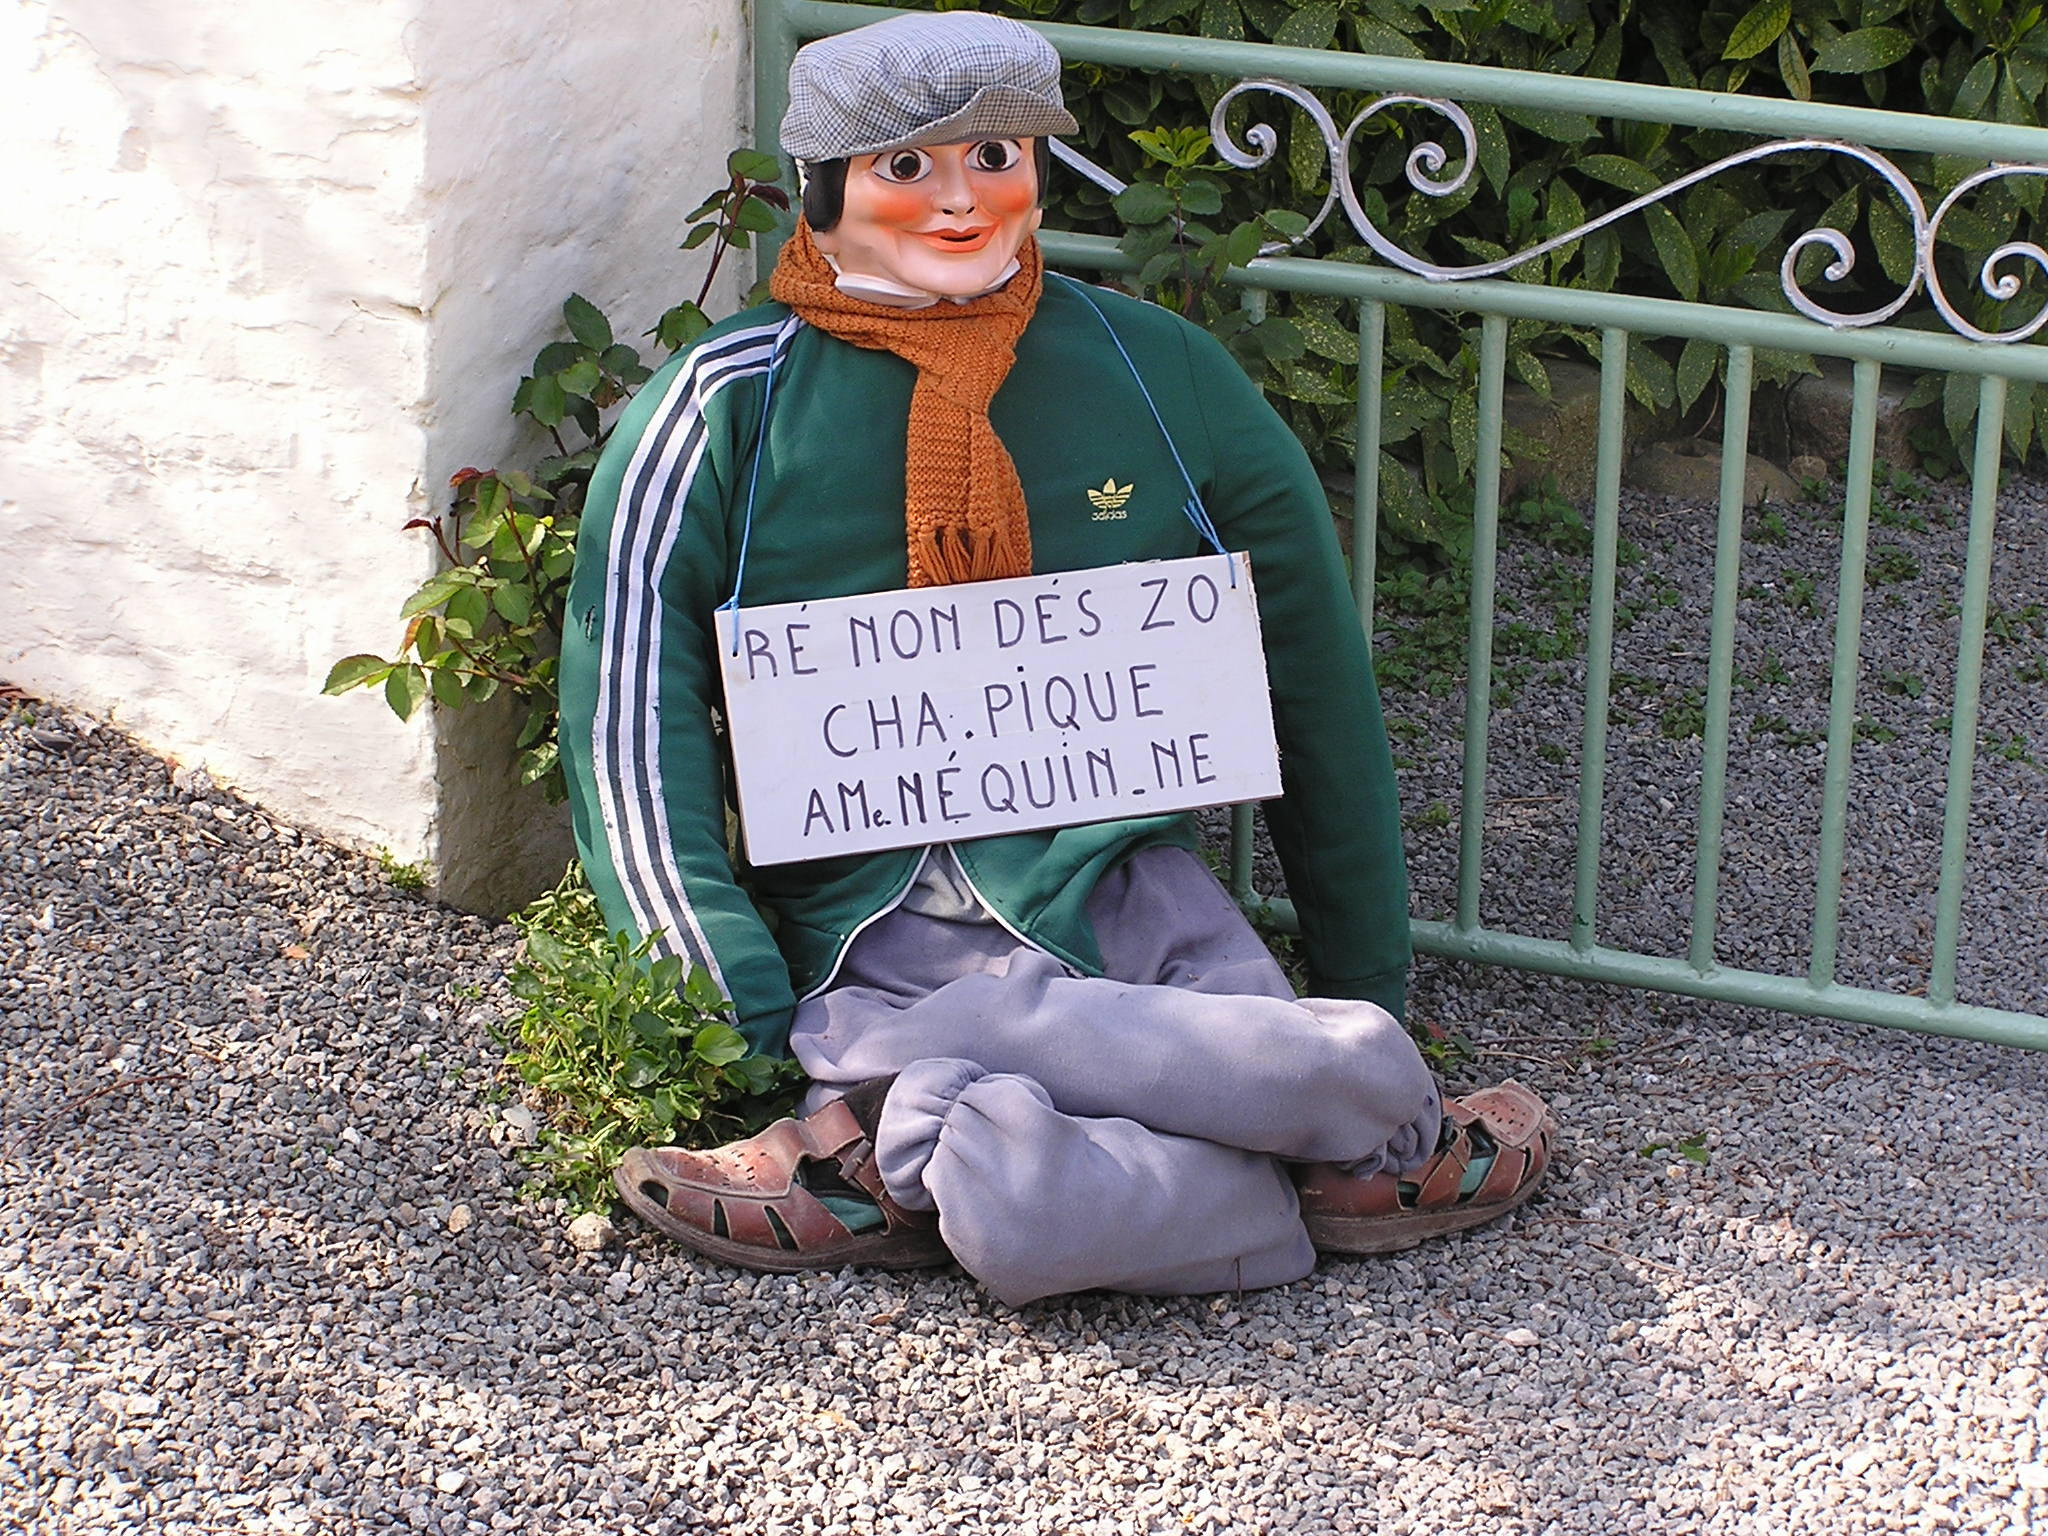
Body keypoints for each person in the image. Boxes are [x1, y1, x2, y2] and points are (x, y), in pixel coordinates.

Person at [556, 11, 1553, 1307]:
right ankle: (1334, 1141)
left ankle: (893, 1139)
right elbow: (629, 718)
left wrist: (1367, 962)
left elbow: (1310, 670)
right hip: (877, 921)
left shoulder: (1154, 369)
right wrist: (728, 1007)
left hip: (1135, 897)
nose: (961, 200)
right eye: (906, 167)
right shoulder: (725, 408)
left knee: (1226, 1080)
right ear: (821, 187)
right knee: (1160, 1150)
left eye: (997, 156)